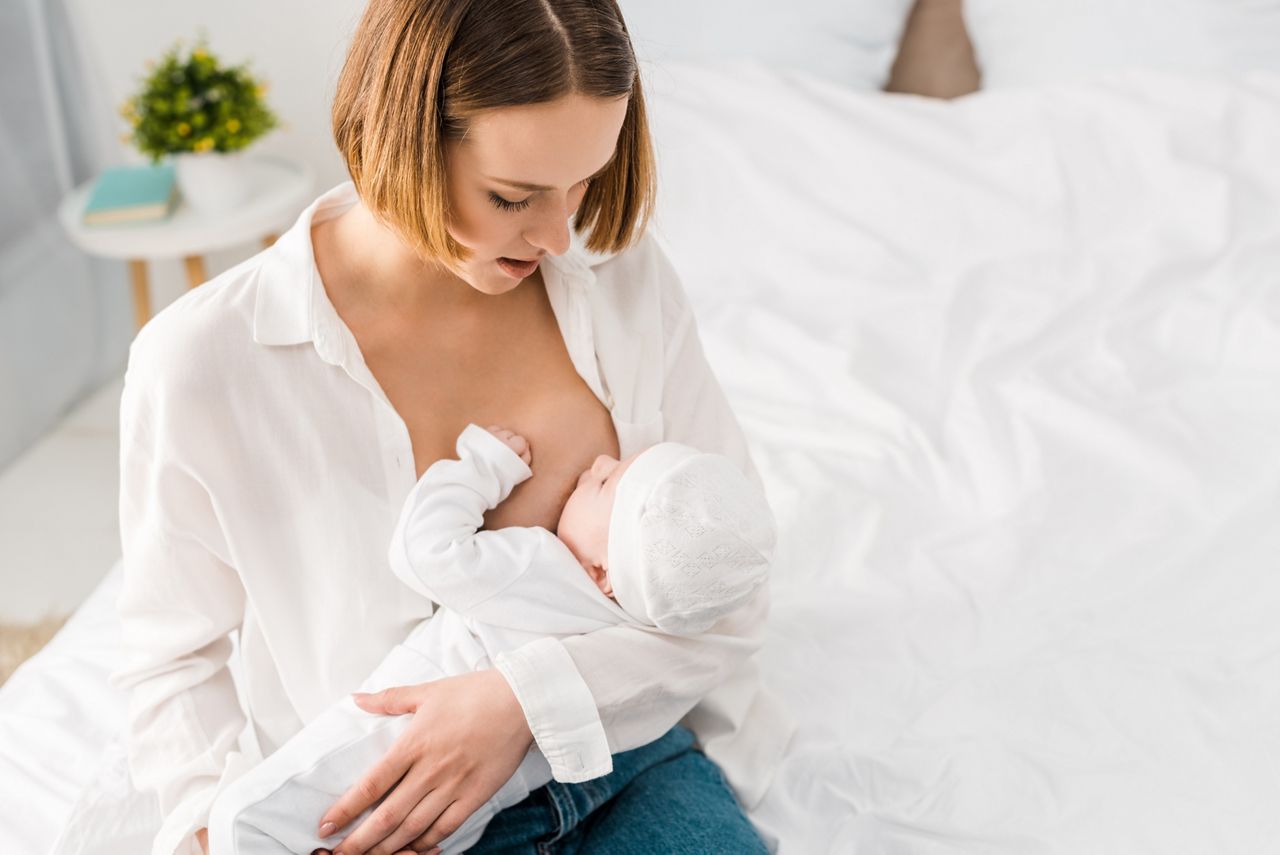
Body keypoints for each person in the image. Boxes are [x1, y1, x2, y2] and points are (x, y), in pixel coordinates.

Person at [110, 1, 796, 853]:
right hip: (386, 826)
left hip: (626, 765)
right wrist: (210, 831)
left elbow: (730, 594)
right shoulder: (204, 365)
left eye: (584, 183)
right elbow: (173, 656)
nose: (557, 233)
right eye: (514, 197)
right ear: (404, 136)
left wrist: (524, 701)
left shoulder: (620, 281)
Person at [207, 423, 776, 854]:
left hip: (394, 749)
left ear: (602, 573)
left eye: (605, 481)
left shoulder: (540, 568)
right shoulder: (645, 623)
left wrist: (481, 468)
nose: (599, 461)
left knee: (245, 819)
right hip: (466, 817)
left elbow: (422, 551)